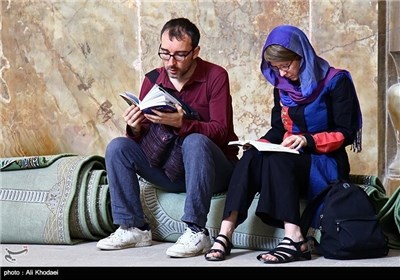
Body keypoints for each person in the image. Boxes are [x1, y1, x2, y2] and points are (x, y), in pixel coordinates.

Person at [204, 25, 362, 264]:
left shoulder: (335, 81)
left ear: (303, 56)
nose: (282, 73)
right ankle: (225, 234)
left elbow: (346, 133)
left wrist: (307, 140)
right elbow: (278, 129)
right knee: (251, 158)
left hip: (325, 161)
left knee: (279, 158)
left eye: (286, 65)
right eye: (276, 68)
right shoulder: (282, 86)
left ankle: (295, 238)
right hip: (292, 158)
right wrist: (259, 143)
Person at [96, 17, 239, 258]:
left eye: (180, 55)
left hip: (214, 171)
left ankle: (196, 231)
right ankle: (133, 228)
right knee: (118, 147)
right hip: (169, 169)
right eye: (165, 53)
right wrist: (135, 128)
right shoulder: (153, 79)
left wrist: (183, 124)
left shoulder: (215, 76)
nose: (171, 63)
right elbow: (142, 140)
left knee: (195, 141)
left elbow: (222, 131)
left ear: (195, 52)